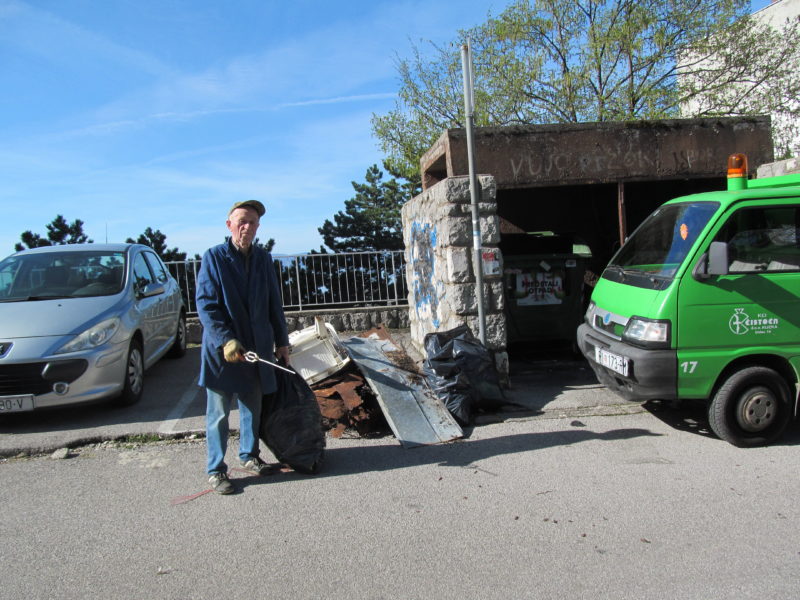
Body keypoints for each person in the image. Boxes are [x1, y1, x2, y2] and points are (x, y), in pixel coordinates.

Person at [196, 199, 290, 495]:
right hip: (222, 351)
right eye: (241, 222)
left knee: (253, 407)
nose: (247, 227)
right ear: (229, 225)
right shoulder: (213, 257)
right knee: (219, 415)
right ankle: (216, 470)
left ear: (258, 227)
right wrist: (226, 339)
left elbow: (275, 303)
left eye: (252, 222)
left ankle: (249, 456)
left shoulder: (263, 258)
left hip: (257, 349)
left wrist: (282, 341)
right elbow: (207, 305)